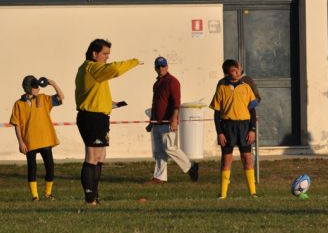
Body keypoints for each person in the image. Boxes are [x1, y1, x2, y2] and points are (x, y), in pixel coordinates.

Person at [75, 38, 141, 205]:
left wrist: (111, 104)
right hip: (91, 117)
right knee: (92, 156)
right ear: (94, 54)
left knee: (100, 156)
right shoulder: (92, 67)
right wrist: (134, 61)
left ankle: (95, 196)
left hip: (100, 116)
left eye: (108, 54)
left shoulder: (93, 71)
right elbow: (115, 69)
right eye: (105, 54)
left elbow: (92, 94)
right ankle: (90, 199)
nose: (107, 57)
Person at [145, 56, 199, 184]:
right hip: (157, 122)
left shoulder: (172, 81)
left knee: (170, 147)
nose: (161, 69)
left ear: (167, 67)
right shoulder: (157, 83)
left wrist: (174, 119)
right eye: (158, 66)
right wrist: (151, 122)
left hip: (167, 122)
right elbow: (155, 104)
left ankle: (190, 167)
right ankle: (159, 177)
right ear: (155, 68)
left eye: (163, 66)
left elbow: (176, 102)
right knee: (158, 151)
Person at [210, 60, 258, 199]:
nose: (238, 72)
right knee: (226, 160)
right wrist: (220, 133)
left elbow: (252, 111)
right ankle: (223, 194)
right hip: (227, 127)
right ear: (227, 73)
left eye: (238, 70)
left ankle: (253, 192)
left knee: (247, 158)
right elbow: (217, 113)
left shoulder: (246, 87)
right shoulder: (222, 88)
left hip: (244, 126)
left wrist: (252, 130)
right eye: (234, 70)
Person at [10, 76, 64, 201]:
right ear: (29, 88)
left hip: (45, 139)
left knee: (50, 167)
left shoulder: (43, 99)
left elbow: (61, 98)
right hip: (29, 141)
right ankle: (35, 196)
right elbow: (16, 124)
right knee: (32, 168)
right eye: (35, 87)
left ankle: (48, 193)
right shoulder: (19, 104)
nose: (38, 89)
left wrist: (53, 83)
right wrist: (21, 142)